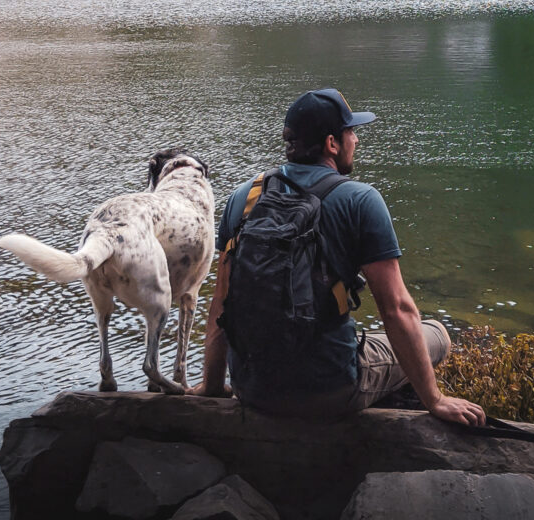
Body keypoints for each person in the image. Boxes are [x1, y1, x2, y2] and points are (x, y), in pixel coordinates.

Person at [192, 88, 485, 427]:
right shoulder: (360, 200)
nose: (356, 141)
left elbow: (221, 303)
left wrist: (212, 386)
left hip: (251, 387)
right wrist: (435, 400)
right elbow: (396, 310)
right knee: (435, 334)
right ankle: (408, 406)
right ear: (332, 143)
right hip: (329, 389)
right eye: (351, 133)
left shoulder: (243, 198)